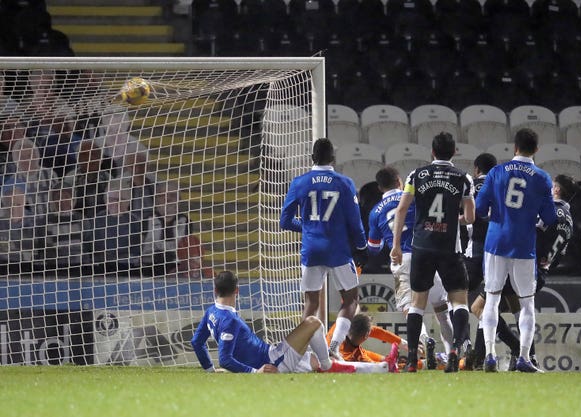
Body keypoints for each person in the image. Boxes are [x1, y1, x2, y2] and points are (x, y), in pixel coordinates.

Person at [471, 173, 577, 371]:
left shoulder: (551, 210)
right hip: (540, 271)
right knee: (517, 309)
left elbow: (530, 228)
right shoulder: (570, 221)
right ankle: (528, 356)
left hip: (521, 262)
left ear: (556, 190)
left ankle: (512, 351)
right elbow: (561, 253)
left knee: (480, 308)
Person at [390, 132, 475, 373]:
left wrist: (396, 245)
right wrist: (453, 219)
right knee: (459, 301)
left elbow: (401, 210)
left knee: (417, 304)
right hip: (449, 248)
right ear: (454, 151)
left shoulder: (416, 175)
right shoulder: (463, 178)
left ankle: (412, 363)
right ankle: (456, 350)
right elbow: (470, 217)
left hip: (422, 247)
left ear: (432, 152)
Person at [475, 128, 557, 373]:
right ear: (536, 150)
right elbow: (550, 217)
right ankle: (523, 358)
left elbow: (479, 209)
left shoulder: (496, 172)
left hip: (496, 242)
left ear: (515, 147)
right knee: (527, 304)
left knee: (492, 299)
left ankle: (489, 355)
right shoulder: (542, 177)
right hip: (524, 245)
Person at [280, 138, 368, 358]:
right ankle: (334, 347)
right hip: (338, 250)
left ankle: (300, 351)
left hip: (312, 249)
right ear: (333, 158)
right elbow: (354, 222)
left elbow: (285, 221)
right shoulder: (344, 183)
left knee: (310, 303)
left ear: (312, 158)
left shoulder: (299, 182)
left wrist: (309, 228)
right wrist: (362, 246)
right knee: (350, 299)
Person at [367, 165, 455, 368]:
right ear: (399, 181)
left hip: (402, 260)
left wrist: (384, 243)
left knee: (412, 310)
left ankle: (425, 341)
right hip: (427, 252)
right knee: (441, 309)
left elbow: (373, 247)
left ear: (380, 188)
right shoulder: (414, 198)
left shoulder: (375, 212)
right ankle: (452, 353)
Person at [191, 270, 361, 374]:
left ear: (215, 290)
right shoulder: (230, 321)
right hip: (273, 361)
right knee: (313, 323)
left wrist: (209, 369)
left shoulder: (211, 312)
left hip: (272, 352)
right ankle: (327, 365)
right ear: (237, 290)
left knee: (313, 360)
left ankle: (379, 367)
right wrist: (255, 372)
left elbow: (196, 342)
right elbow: (225, 359)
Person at [461, 153, 497, 370]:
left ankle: (466, 348)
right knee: (490, 304)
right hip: (497, 251)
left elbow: (466, 215)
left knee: (457, 298)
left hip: (474, 251)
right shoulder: (499, 184)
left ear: (476, 169)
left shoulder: (471, 185)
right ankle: (480, 354)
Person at [326, 313, 400, 372]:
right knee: (374, 364)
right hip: (341, 358)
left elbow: (379, 332)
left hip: (334, 350)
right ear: (366, 335)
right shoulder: (355, 357)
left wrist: (401, 342)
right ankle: (388, 364)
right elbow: (380, 333)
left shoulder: (339, 327)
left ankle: (387, 361)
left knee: (377, 357)